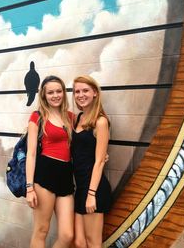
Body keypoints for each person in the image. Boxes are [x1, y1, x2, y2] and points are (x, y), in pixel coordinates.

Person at [25, 75, 75, 248]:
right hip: (45, 175)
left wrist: (101, 154)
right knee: (41, 230)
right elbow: (31, 154)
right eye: (51, 92)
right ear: (44, 95)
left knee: (67, 235)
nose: (55, 95)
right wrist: (29, 187)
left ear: (64, 93)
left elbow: (83, 142)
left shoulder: (71, 117)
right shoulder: (37, 117)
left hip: (66, 176)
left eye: (59, 91)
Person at [71, 75, 112, 248]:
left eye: (85, 90)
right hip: (80, 187)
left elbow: (100, 161)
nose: (81, 95)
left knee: (93, 243)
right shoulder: (78, 118)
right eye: (77, 91)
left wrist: (91, 194)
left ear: (95, 92)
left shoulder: (100, 121)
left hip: (94, 188)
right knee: (79, 242)